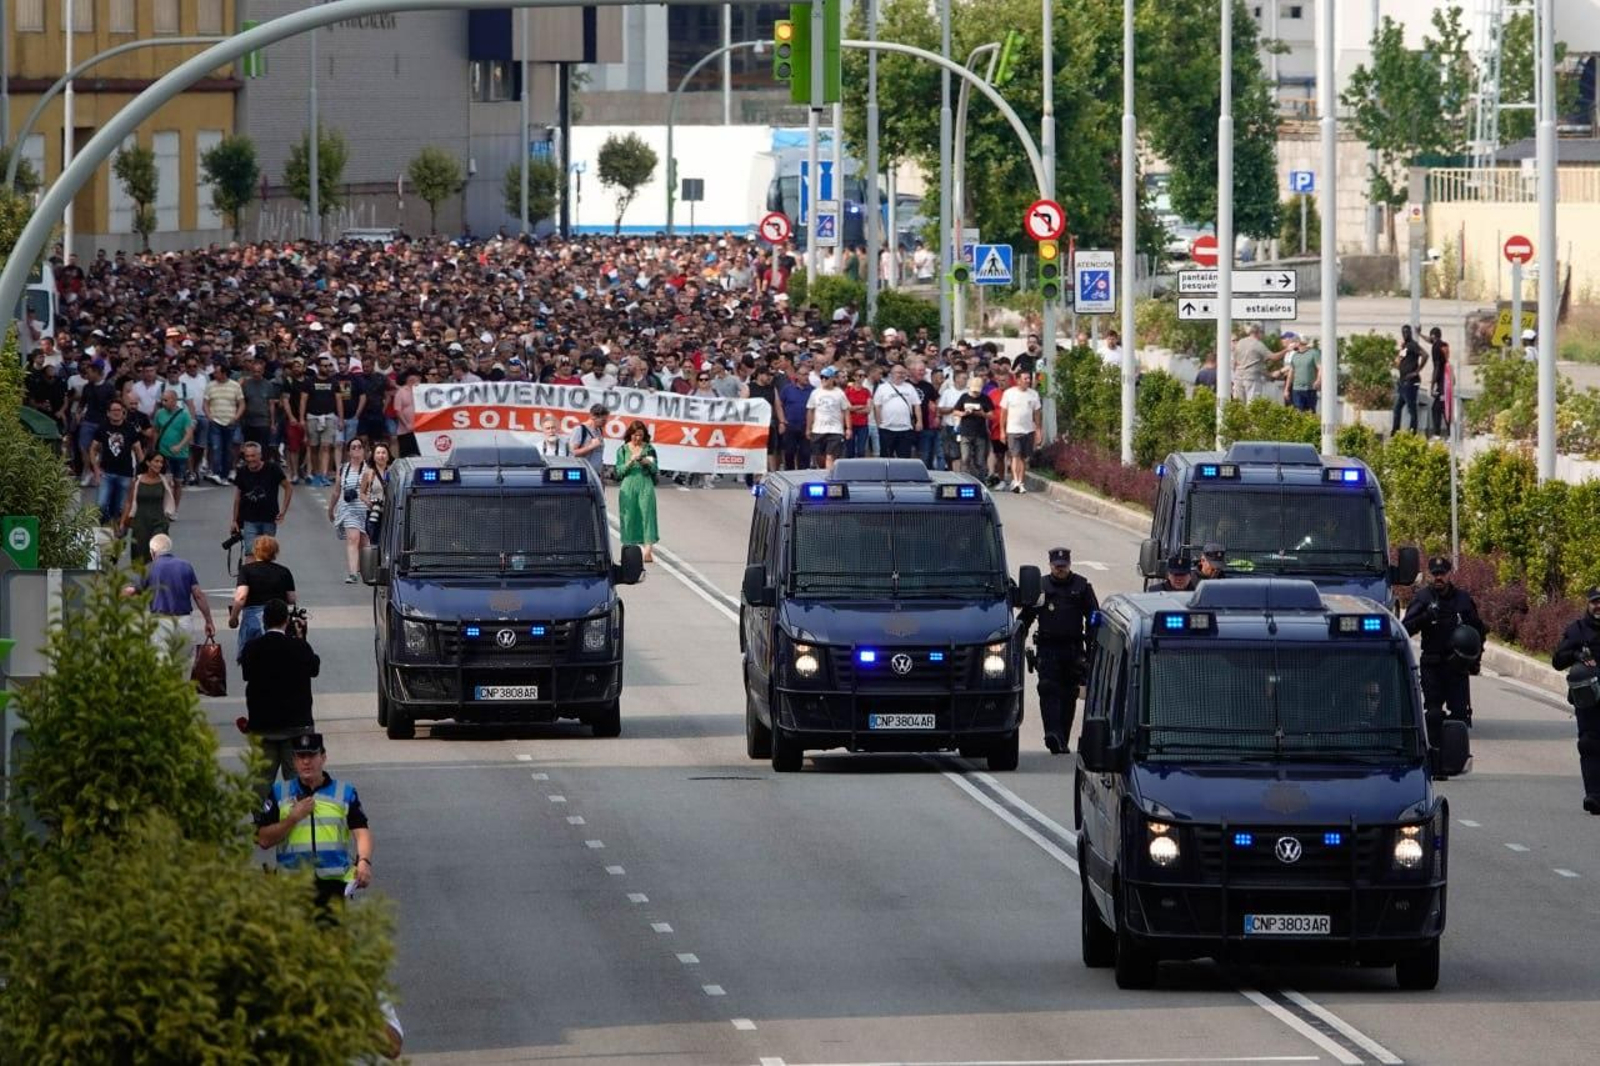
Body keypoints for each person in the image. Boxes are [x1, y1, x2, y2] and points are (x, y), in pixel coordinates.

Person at [254, 731, 372, 909]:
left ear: (323, 758)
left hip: (333, 886)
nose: (306, 762)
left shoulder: (344, 792)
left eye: (311, 755)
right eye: (301, 757)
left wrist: (364, 861)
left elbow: (362, 831)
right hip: (292, 886)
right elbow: (263, 839)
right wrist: (292, 819)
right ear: (294, 761)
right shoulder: (279, 793)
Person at [1018, 547, 1099, 755]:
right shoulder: (1041, 588)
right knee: (1048, 689)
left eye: (1063, 566)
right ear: (1050, 565)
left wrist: (1091, 649)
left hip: (1073, 649)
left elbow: (1094, 618)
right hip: (1048, 649)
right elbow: (1027, 616)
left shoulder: (1082, 587)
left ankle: (1062, 738)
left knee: (1069, 693)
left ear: (1069, 565)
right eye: (1056, 566)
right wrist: (1017, 637)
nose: (1060, 569)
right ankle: (1052, 734)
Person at [1402, 557, 1487, 749]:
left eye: (1442, 573)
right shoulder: (1423, 598)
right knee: (1433, 714)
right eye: (1435, 574)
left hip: (1457, 666)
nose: (1438, 577)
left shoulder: (1462, 599)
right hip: (1432, 664)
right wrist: (1425, 617)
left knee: (1459, 716)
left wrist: (1475, 660)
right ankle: (1435, 753)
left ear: (1449, 574)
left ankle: (1455, 755)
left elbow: (1478, 631)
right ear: (1430, 575)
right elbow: (1404, 629)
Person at [123, 533, 215, 653]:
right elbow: (198, 595)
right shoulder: (185, 566)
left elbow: (131, 591)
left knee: (161, 661)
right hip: (184, 621)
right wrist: (208, 621)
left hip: (160, 623)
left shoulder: (148, 568)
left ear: (152, 552)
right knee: (185, 661)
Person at [1551, 587, 1600, 814]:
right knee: (1589, 744)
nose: (1598, 606)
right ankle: (1594, 795)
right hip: (1588, 700)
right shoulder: (1577, 630)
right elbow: (1557, 661)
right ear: (1588, 604)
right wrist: (1576, 654)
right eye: (1595, 602)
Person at [230, 536, 297, 662]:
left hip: (253, 618)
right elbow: (291, 598)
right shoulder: (284, 571)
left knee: (249, 655)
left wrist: (233, 618)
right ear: (275, 552)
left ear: (256, 551)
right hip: (278, 617)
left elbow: (241, 596)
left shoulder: (246, 570)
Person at [231, 441, 292, 559]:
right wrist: (234, 520)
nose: (250, 459)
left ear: (260, 455)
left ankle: (264, 571)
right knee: (250, 553)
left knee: (266, 555)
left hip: (269, 519)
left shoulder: (272, 469)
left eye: (253, 456)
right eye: (247, 456)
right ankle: (249, 571)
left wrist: (283, 511)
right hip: (249, 520)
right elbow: (237, 497)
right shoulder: (242, 471)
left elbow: (288, 488)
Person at [90, 399, 143, 526]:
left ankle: (116, 529)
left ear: (123, 412)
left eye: (119, 410)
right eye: (114, 410)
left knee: (120, 508)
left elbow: (138, 451)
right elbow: (93, 449)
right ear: (108, 413)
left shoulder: (130, 429)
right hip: (106, 473)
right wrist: (96, 470)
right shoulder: (102, 428)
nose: (116, 412)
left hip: (125, 474)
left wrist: (143, 472)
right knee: (101, 505)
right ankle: (105, 524)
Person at [327, 439, 370, 584]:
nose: (356, 449)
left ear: (364, 450)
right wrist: (331, 509)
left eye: (359, 447)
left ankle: (364, 570)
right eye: (353, 447)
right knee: (353, 539)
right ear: (349, 451)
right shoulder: (343, 469)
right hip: (348, 510)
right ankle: (352, 573)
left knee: (364, 543)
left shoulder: (370, 469)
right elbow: (336, 491)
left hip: (366, 511)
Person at [616, 420, 659, 564]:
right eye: (635, 435)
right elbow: (619, 472)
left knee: (647, 515)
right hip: (628, 485)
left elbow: (655, 469)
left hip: (645, 484)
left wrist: (646, 462)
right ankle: (628, 550)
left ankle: (648, 550)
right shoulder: (622, 450)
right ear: (630, 434)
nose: (638, 438)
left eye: (640, 435)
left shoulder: (649, 449)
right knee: (628, 517)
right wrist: (630, 462)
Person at [119, 453, 174, 565]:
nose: (159, 464)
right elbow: (129, 503)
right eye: (156, 461)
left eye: (161, 462)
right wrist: (122, 522)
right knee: (140, 558)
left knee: (158, 552)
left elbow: (169, 501)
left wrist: (168, 517)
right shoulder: (137, 481)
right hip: (140, 523)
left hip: (159, 522)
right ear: (148, 462)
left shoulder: (165, 481)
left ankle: (158, 574)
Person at [999, 369, 1043, 493]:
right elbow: (1003, 413)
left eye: (1029, 378)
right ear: (1018, 380)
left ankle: (1021, 482)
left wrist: (1038, 430)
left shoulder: (1033, 394)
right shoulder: (1009, 393)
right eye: (1025, 379)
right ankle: (1016, 481)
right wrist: (1002, 431)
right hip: (1013, 430)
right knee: (1015, 455)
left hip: (1028, 430)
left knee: (1023, 458)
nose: (1028, 381)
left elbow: (1037, 413)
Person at [152, 388, 195, 508]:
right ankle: (165, 507)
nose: (163, 403)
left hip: (180, 455)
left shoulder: (184, 415)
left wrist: (179, 446)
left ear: (174, 400)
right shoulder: (159, 413)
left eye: (166, 400)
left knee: (178, 482)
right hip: (163, 453)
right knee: (165, 481)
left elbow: (189, 433)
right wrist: (154, 447)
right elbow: (156, 430)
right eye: (162, 400)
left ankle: (174, 508)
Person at [203, 359, 244, 484]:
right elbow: (205, 403)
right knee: (216, 447)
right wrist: (209, 416)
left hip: (230, 421)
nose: (214, 374)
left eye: (217, 372)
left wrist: (236, 417)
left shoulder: (235, 386)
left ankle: (225, 474)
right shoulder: (210, 385)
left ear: (224, 373)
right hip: (215, 421)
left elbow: (242, 404)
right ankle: (216, 473)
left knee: (228, 449)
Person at [805, 366, 851, 471]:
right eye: (822, 377)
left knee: (830, 456)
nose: (823, 380)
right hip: (818, 429)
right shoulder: (815, 392)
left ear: (832, 379)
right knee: (819, 457)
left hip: (835, 429)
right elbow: (810, 410)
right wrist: (808, 428)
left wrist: (848, 428)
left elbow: (846, 410)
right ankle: (824, 471)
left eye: (826, 377)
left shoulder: (839, 393)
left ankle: (828, 476)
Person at [873, 363, 921, 460]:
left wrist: (919, 421)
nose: (901, 375)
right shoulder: (882, 388)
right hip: (887, 429)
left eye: (903, 373)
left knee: (905, 458)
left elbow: (917, 405)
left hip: (905, 429)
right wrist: (879, 423)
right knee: (886, 458)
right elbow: (877, 406)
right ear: (891, 374)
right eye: (898, 373)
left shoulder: (910, 387)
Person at [952, 374, 994, 479]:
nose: (975, 393)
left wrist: (982, 414)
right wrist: (963, 413)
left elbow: (992, 415)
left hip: (980, 433)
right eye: (974, 391)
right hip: (966, 432)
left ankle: (980, 479)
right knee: (965, 458)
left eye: (977, 391)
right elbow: (955, 411)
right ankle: (964, 478)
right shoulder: (964, 397)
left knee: (979, 460)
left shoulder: (985, 398)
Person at [1391, 324, 1427, 435]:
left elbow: (1425, 355)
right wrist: (1399, 353)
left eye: (1407, 332)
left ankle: (1412, 433)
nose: (1405, 334)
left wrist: (1416, 371)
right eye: (1404, 332)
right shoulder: (1406, 346)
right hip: (1403, 383)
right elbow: (1398, 360)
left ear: (1410, 333)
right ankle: (1395, 432)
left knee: (1412, 409)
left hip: (1411, 382)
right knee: (1397, 409)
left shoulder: (1412, 345)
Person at [1232, 325, 1279, 402]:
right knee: (1252, 404)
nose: (1262, 336)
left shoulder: (1240, 342)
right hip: (1251, 378)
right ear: (1258, 333)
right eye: (1262, 333)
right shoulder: (1258, 344)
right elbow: (1274, 357)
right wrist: (1287, 350)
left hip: (1238, 378)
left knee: (1239, 404)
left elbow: (1236, 362)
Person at [361, 442, 393, 543]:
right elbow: (361, 493)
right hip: (374, 511)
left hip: (390, 511)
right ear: (374, 456)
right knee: (375, 540)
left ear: (388, 456)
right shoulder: (368, 473)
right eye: (378, 453)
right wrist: (368, 502)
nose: (381, 455)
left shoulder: (393, 472)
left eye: (383, 453)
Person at [1282, 333, 1321, 412]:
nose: (1292, 343)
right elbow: (1290, 374)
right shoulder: (1295, 356)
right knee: (1298, 413)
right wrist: (1286, 389)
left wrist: (1318, 380)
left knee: (1310, 413)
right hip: (1297, 390)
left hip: (1310, 390)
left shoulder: (1314, 353)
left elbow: (1320, 368)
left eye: (1294, 341)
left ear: (1299, 342)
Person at [570, 404, 608, 479]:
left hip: (595, 474)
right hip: (582, 474)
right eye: (603, 420)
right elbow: (573, 452)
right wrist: (591, 446)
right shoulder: (579, 430)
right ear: (593, 416)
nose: (605, 422)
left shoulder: (599, 430)